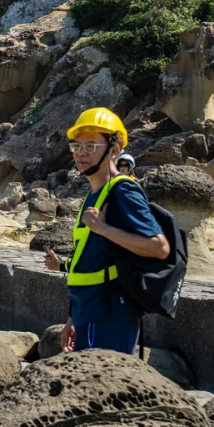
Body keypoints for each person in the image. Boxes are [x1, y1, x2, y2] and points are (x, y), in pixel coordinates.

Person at [44, 108, 170, 355]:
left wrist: (102, 228)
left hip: (110, 312)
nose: (81, 154)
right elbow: (91, 259)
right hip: (89, 312)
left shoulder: (123, 191)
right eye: (77, 146)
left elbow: (159, 247)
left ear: (114, 149)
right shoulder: (93, 194)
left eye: (91, 146)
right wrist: (73, 318)